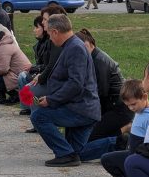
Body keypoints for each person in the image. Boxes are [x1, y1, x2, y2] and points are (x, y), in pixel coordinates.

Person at [29, 14, 101, 167]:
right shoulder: (72, 45)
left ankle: (65, 155)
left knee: (39, 116)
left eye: (49, 33)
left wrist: (51, 100)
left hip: (80, 109)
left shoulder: (75, 48)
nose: (49, 38)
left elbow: (75, 84)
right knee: (77, 153)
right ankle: (119, 144)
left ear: (55, 31)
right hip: (83, 107)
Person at [99, 79, 149, 177]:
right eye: (128, 105)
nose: (131, 108)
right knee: (107, 159)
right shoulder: (139, 111)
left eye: (133, 104)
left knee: (129, 163)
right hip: (132, 151)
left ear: (145, 97)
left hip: (140, 154)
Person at [75, 29, 133, 144]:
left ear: (91, 44)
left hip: (119, 108)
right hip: (110, 106)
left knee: (91, 138)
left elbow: (101, 93)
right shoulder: (92, 58)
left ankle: (125, 130)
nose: (81, 50)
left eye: (84, 46)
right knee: (84, 136)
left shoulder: (100, 62)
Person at [16, 15, 52, 116]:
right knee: (23, 75)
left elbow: (48, 65)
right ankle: (28, 106)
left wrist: (33, 68)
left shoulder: (48, 44)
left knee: (24, 78)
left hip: (45, 75)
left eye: (37, 27)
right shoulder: (40, 44)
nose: (34, 30)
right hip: (40, 71)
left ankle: (31, 107)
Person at [0, 30, 31, 102]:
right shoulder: (5, 44)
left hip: (21, 75)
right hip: (20, 72)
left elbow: (3, 69)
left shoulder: (2, 48)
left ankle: (15, 95)